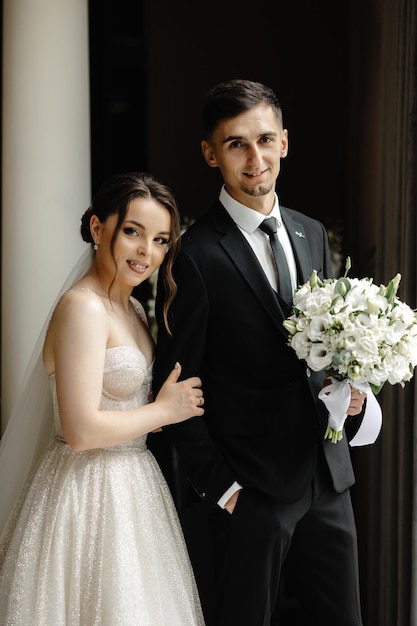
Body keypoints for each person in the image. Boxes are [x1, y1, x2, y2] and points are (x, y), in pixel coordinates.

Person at [152, 79, 367, 626]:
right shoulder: (193, 256)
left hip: (328, 479)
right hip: (251, 492)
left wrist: (355, 395)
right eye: (236, 144)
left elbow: (328, 350)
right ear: (210, 154)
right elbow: (176, 387)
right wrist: (225, 490)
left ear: (285, 143)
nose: (255, 158)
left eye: (265, 140)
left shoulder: (311, 233)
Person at [0, 172, 206, 625]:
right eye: (132, 232)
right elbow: (79, 430)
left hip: (134, 488)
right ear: (98, 228)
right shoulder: (83, 307)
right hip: (86, 491)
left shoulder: (130, 308)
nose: (145, 252)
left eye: (160, 240)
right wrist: (163, 410)